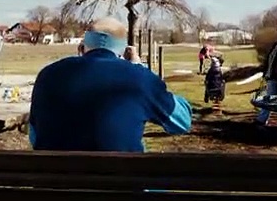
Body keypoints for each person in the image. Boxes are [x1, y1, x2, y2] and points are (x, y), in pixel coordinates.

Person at [28, 17, 192, 152]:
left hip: (54, 181)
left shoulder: (47, 75)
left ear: (83, 46)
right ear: (123, 49)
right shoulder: (139, 78)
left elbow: (34, 137)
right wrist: (139, 66)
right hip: (123, 181)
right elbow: (182, 122)